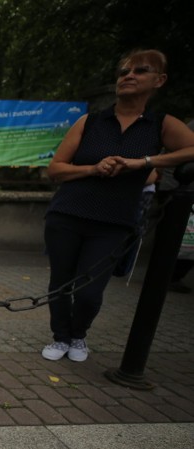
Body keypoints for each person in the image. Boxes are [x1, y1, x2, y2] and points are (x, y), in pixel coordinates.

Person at [42, 49, 194, 362]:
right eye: (124, 71)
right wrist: (93, 169)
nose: (128, 76)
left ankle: (79, 334)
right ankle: (60, 336)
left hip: (113, 222)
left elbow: (190, 149)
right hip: (68, 214)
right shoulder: (91, 121)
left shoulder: (159, 124)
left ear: (159, 80)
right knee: (60, 282)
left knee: (89, 292)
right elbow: (56, 169)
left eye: (140, 70)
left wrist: (145, 162)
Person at [160, 119, 194, 294]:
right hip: (177, 187)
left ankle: (173, 276)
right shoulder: (188, 129)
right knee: (171, 235)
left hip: (182, 189)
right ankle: (163, 275)